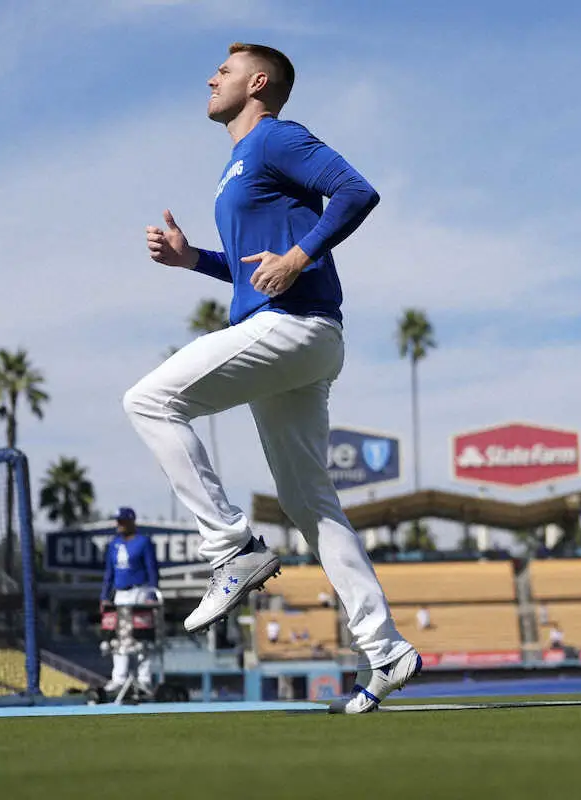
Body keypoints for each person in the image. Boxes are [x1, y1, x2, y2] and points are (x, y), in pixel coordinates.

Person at [128, 42, 419, 714]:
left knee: (149, 400)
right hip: (294, 336)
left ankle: (230, 546)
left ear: (259, 84)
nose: (210, 77)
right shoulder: (236, 166)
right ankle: (388, 650)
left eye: (224, 72)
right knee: (308, 499)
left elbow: (356, 191)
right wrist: (192, 258)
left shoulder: (274, 139)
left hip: (295, 327)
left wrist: (300, 254)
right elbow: (253, 271)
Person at [99, 507, 159, 694]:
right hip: (120, 594)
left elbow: (152, 570)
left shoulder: (143, 542)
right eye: (118, 521)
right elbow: (109, 572)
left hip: (139, 592)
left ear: (131, 522)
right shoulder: (114, 545)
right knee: (119, 638)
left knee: (142, 636)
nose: (119, 525)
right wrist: (104, 596)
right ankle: (119, 677)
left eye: (123, 521)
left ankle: (144, 678)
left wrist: (151, 593)